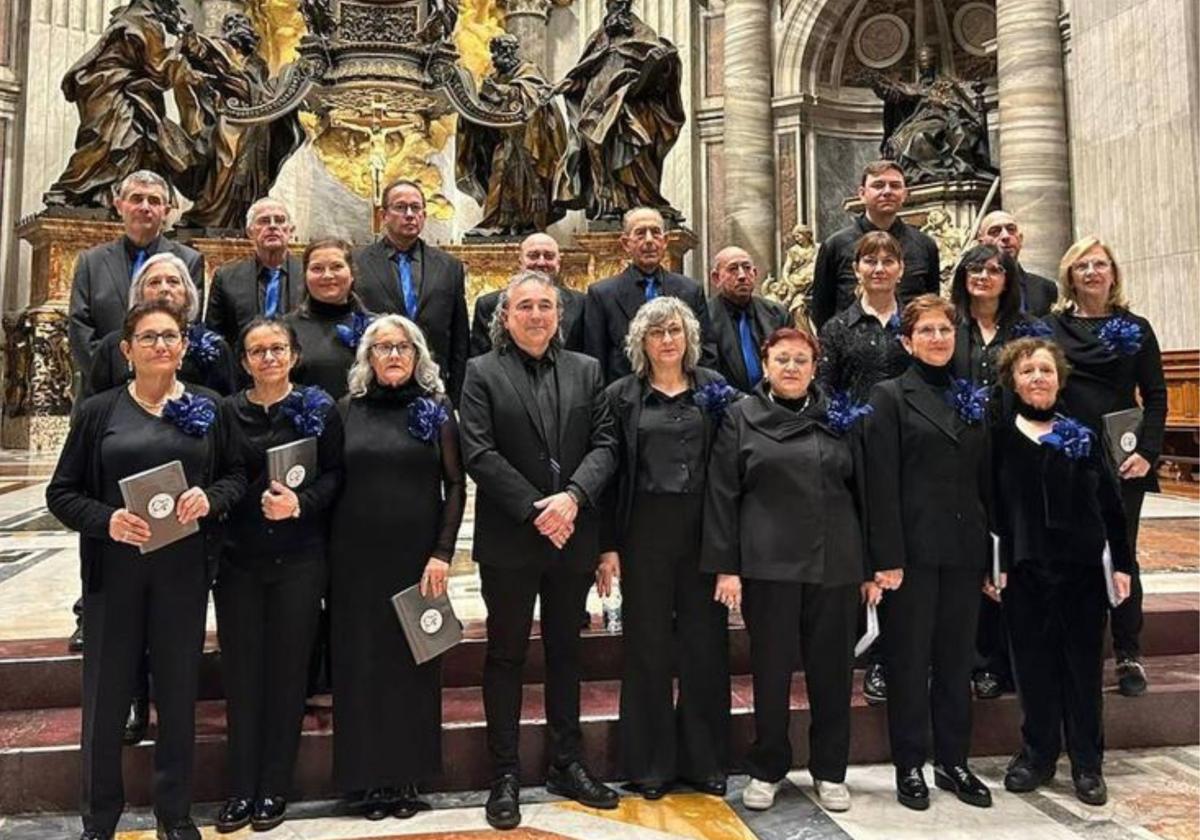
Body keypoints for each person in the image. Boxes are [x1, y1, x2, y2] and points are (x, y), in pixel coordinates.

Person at [46, 300, 246, 840]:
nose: (162, 344)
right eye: (150, 337)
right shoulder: (99, 412)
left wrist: (210, 498)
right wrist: (107, 519)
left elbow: (235, 478)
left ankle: (174, 815)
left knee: (178, 697)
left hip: (182, 575)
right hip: (115, 577)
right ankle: (99, 820)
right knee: (106, 703)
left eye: (171, 336)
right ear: (126, 349)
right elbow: (61, 493)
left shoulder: (209, 406)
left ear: (184, 347)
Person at [460, 271, 619, 830]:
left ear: (560, 315)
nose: (535, 315)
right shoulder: (481, 373)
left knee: (565, 653)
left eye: (545, 306)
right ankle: (503, 771)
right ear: (505, 316)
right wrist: (537, 509)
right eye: (524, 306)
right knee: (505, 655)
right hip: (511, 538)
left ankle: (566, 762)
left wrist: (572, 500)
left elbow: (605, 443)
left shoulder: (587, 369)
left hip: (572, 535)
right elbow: (478, 453)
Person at [702, 326, 868, 814]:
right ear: (766, 365)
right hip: (768, 565)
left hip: (834, 562)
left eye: (801, 359)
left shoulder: (839, 418)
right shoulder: (741, 416)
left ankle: (831, 770)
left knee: (833, 673)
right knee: (771, 673)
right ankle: (768, 766)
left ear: (815, 366)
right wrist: (727, 568)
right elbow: (722, 494)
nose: (792, 368)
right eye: (782, 360)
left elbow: (865, 493)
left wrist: (870, 565)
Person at [330, 314, 465, 820]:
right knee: (359, 666)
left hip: (417, 560)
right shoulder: (346, 411)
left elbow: (455, 485)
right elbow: (330, 483)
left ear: (417, 356)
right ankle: (365, 781)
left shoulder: (436, 410)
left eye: (402, 348)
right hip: (355, 561)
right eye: (382, 347)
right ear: (367, 357)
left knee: (414, 666)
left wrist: (443, 552)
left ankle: (406, 776)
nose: (392, 356)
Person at [214, 319, 344, 834]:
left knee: (289, 674)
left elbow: (335, 475)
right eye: (257, 351)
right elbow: (217, 472)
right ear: (244, 362)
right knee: (243, 675)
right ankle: (239, 785)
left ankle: (274, 786)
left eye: (277, 349)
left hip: (300, 559)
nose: (268, 358)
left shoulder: (318, 409)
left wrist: (299, 504)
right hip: (239, 561)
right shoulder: (227, 412)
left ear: (293, 355)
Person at [600, 297, 732, 800]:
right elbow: (610, 475)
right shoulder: (621, 396)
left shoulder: (715, 391)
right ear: (641, 343)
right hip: (644, 533)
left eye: (675, 330)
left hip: (704, 530)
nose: (667, 340)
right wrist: (607, 546)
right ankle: (649, 764)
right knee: (647, 647)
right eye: (656, 333)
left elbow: (733, 467)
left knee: (706, 646)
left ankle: (703, 761)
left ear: (689, 338)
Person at [864, 295, 992, 811]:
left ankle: (953, 760)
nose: (938, 338)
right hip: (911, 553)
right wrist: (886, 557)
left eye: (945, 330)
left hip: (963, 549)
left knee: (956, 659)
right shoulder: (889, 395)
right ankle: (910, 761)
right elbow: (881, 483)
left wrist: (992, 558)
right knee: (910, 660)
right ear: (906, 341)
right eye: (927, 331)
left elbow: (987, 482)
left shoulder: (973, 397)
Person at [992, 337, 1132, 806]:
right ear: (1014, 380)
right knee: (1032, 669)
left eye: (1045, 371)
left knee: (1082, 671)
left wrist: (1124, 566)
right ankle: (1037, 755)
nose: (1037, 378)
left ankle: (1088, 764)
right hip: (1024, 571)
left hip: (1080, 573)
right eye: (1028, 371)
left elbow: (1113, 506)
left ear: (1060, 378)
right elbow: (992, 510)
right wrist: (994, 566)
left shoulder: (1083, 434)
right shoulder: (1000, 438)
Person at [1045, 236, 1167, 697]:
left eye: (1100, 264)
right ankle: (1074, 648)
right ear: (1069, 276)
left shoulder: (1136, 327)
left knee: (1122, 553)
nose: (1092, 272)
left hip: (1122, 460)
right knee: (1069, 554)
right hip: (1066, 456)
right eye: (1082, 266)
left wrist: (1148, 451)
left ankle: (1128, 652)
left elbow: (1154, 395)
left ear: (1113, 273)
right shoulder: (1050, 327)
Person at [815, 230, 911, 706]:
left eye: (887, 260)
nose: (878, 268)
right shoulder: (837, 328)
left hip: (909, 450)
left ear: (900, 268)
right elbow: (825, 388)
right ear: (856, 269)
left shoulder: (914, 323)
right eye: (869, 260)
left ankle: (894, 652)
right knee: (864, 550)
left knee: (901, 548)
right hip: (854, 450)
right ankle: (867, 647)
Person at [946, 242, 1039, 701]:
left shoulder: (1026, 330)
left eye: (993, 269)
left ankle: (1010, 658)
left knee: (1015, 554)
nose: (983, 276)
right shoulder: (950, 327)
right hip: (962, 457)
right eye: (974, 269)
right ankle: (978, 659)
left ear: (1008, 278)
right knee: (975, 556)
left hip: (1015, 454)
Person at [553, 0, 684, 220]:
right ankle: (609, 204)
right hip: (595, 107)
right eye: (611, 4)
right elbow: (583, 73)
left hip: (628, 105)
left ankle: (642, 200)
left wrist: (656, 68)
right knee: (598, 151)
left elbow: (659, 69)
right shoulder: (597, 39)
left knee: (633, 149)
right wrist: (568, 84)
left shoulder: (643, 34)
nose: (614, 9)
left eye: (619, 3)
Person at [67, 170, 204, 376]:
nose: (145, 207)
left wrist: (153, 377)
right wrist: (120, 375)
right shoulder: (91, 262)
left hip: (165, 387)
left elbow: (189, 324)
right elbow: (80, 331)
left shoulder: (189, 260)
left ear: (166, 211)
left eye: (154, 201)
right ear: (119, 205)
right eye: (137, 199)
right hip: (102, 390)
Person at [352, 179, 469, 403]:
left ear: (424, 215)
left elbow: (459, 337)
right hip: (377, 388)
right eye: (400, 207)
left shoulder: (448, 267)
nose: (409, 214)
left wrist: (456, 395)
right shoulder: (359, 263)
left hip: (433, 386)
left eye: (416, 208)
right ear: (383, 215)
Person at [584, 207, 716, 382]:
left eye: (655, 233)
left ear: (665, 241)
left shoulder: (690, 290)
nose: (649, 240)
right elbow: (596, 358)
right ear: (625, 243)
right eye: (640, 233)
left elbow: (706, 350)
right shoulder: (602, 294)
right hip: (625, 400)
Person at [86, 253, 237, 399]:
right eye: (154, 282)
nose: (164, 289)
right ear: (139, 294)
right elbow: (93, 407)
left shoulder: (214, 348)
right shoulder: (112, 346)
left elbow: (226, 409)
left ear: (187, 294)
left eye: (173, 281)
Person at [809, 160, 939, 329]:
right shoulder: (835, 245)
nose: (887, 191)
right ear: (862, 193)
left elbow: (932, 303)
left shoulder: (924, 244)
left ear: (905, 194)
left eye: (895, 186)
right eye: (878, 185)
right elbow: (822, 311)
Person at [205, 198, 306, 350]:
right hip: (243, 369)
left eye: (279, 220)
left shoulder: (308, 275)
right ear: (250, 232)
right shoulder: (226, 278)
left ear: (290, 230)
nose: (272, 226)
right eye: (264, 221)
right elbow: (215, 338)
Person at [284, 238, 373, 400]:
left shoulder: (378, 328)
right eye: (317, 268)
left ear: (352, 273)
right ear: (305, 276)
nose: (327, 275)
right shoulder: (284, 330)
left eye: (336, 267)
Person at [470, 232, 585, 356]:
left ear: (558, 262)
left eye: (549, 256)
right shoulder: (489, 304)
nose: (541, 262)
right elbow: (480, 359)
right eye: (533, 256)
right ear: (520, 262)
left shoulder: (581, 303)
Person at [706, 246, 790, 393]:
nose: (742, 276)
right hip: (727, 406)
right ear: (716, 278)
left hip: (774, 404)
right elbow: (706, 372)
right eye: (733, 269)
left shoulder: (778, 314)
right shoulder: (705, 318)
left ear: (755, 273)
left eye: (746, 268)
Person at [975, 211, 1058, 317]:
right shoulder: (974, 287)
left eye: (1011, 229)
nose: (1005, 236)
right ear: (982, 242)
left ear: (1020, 239)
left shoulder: (1045, 288)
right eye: (995, 231)